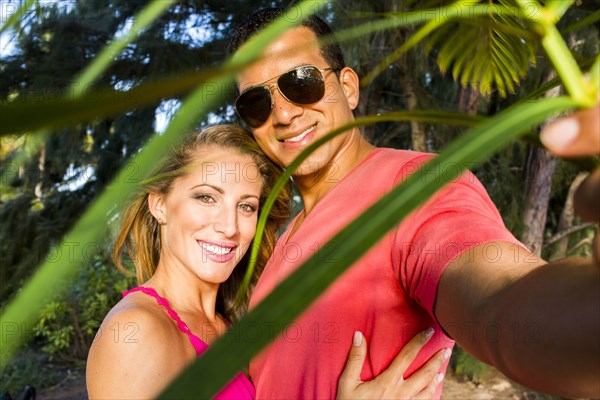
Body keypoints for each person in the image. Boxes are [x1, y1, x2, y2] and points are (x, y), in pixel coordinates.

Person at [227, 8, 600, 399]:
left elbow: (501, 301)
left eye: (301, 83)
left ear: (349, 88)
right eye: (256, 103)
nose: (283, 113)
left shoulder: (414, 188)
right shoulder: (281, 245)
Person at [85, 125, 450, 399]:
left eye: (246, 206)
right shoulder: (137, 332)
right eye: (206, 197)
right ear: (159, 204)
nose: (229, 226)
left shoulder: (229, 327)